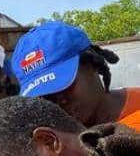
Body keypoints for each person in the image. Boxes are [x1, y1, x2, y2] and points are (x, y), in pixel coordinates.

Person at [11, 21, 140, 129]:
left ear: (92, 65)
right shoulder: (54, 146)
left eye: (64, 85)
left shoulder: (136, 110)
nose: (60, 102)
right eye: (46, 97)